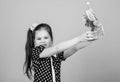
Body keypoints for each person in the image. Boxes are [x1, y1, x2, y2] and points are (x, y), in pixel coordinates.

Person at [23, 8, 104, 82]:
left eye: (46, 37)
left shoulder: (56, 55)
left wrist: (93, 36)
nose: (43, 41)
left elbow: (75, 48)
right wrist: (79, 38)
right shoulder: (36, 52)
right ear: (34, 41)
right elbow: (57, 48)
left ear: (51, 39)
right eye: (39, 39)